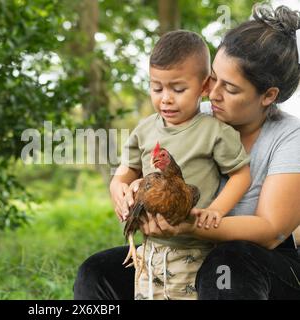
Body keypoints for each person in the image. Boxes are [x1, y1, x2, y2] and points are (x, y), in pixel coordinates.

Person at [74, 3, 300, 300]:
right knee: (98, 271)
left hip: (257, 265)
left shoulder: (289, 137)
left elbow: (270, 231)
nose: (213, 93)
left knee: (227, 266)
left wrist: (186, 225)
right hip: (185, 253)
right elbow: (137, 166)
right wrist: (121, 187)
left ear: (268, 96)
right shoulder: (193, 116)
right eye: (212, 79)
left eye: (230, 89)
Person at [114, 29, 251, 300]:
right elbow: (125, 172)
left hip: (194, 249)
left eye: (178, 89)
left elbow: (241, 174)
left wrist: (215, 210)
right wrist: (117, 186)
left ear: (204, 87)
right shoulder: (144, 129)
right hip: (149, 248)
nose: (166, 98)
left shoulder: (215, 131)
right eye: (157, 88)